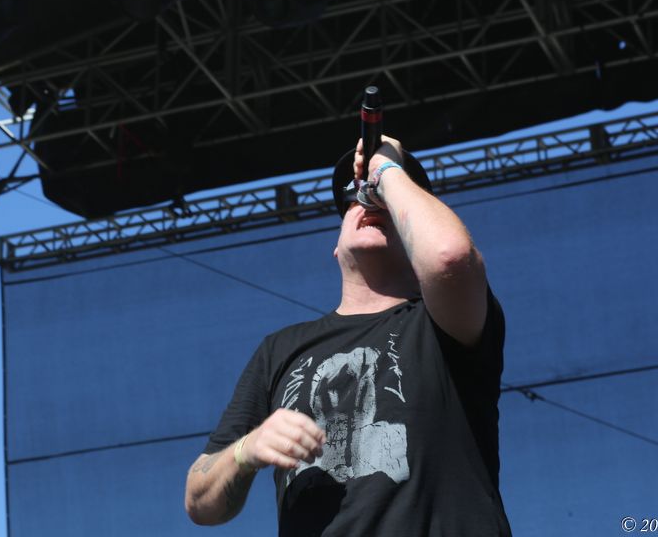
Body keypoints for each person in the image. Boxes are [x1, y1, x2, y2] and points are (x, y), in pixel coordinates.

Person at [184, 135, 512, 536]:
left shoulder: (441, 323)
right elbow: (199, 501)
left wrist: (386, 168)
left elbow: (449, 256)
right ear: (335, 248)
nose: (369, 201)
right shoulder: (280, 349)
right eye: (355, 196)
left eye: (383, 198)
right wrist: (246, 449)